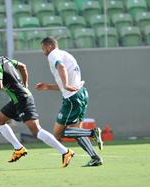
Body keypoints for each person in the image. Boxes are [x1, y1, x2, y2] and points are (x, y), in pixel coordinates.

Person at [0, 44, 74, 168]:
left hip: (23, 99)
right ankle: (18, 148)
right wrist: (25, 83)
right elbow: (22, 66)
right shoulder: (5, 59)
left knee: (36, 131)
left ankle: (66, 151)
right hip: (17, 100)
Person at [35, 37, 103, 167]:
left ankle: (92, 132)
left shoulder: (53, 54)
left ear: (49, 46)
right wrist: (49, 87)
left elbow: (61, 67)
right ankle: (95, 158)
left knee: (57, 134)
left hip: (72, 98)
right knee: (76, 131)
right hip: (80, 93)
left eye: (43, 48)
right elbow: (68, 81)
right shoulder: (66, 54)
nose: (42, 51)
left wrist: (65, 85)